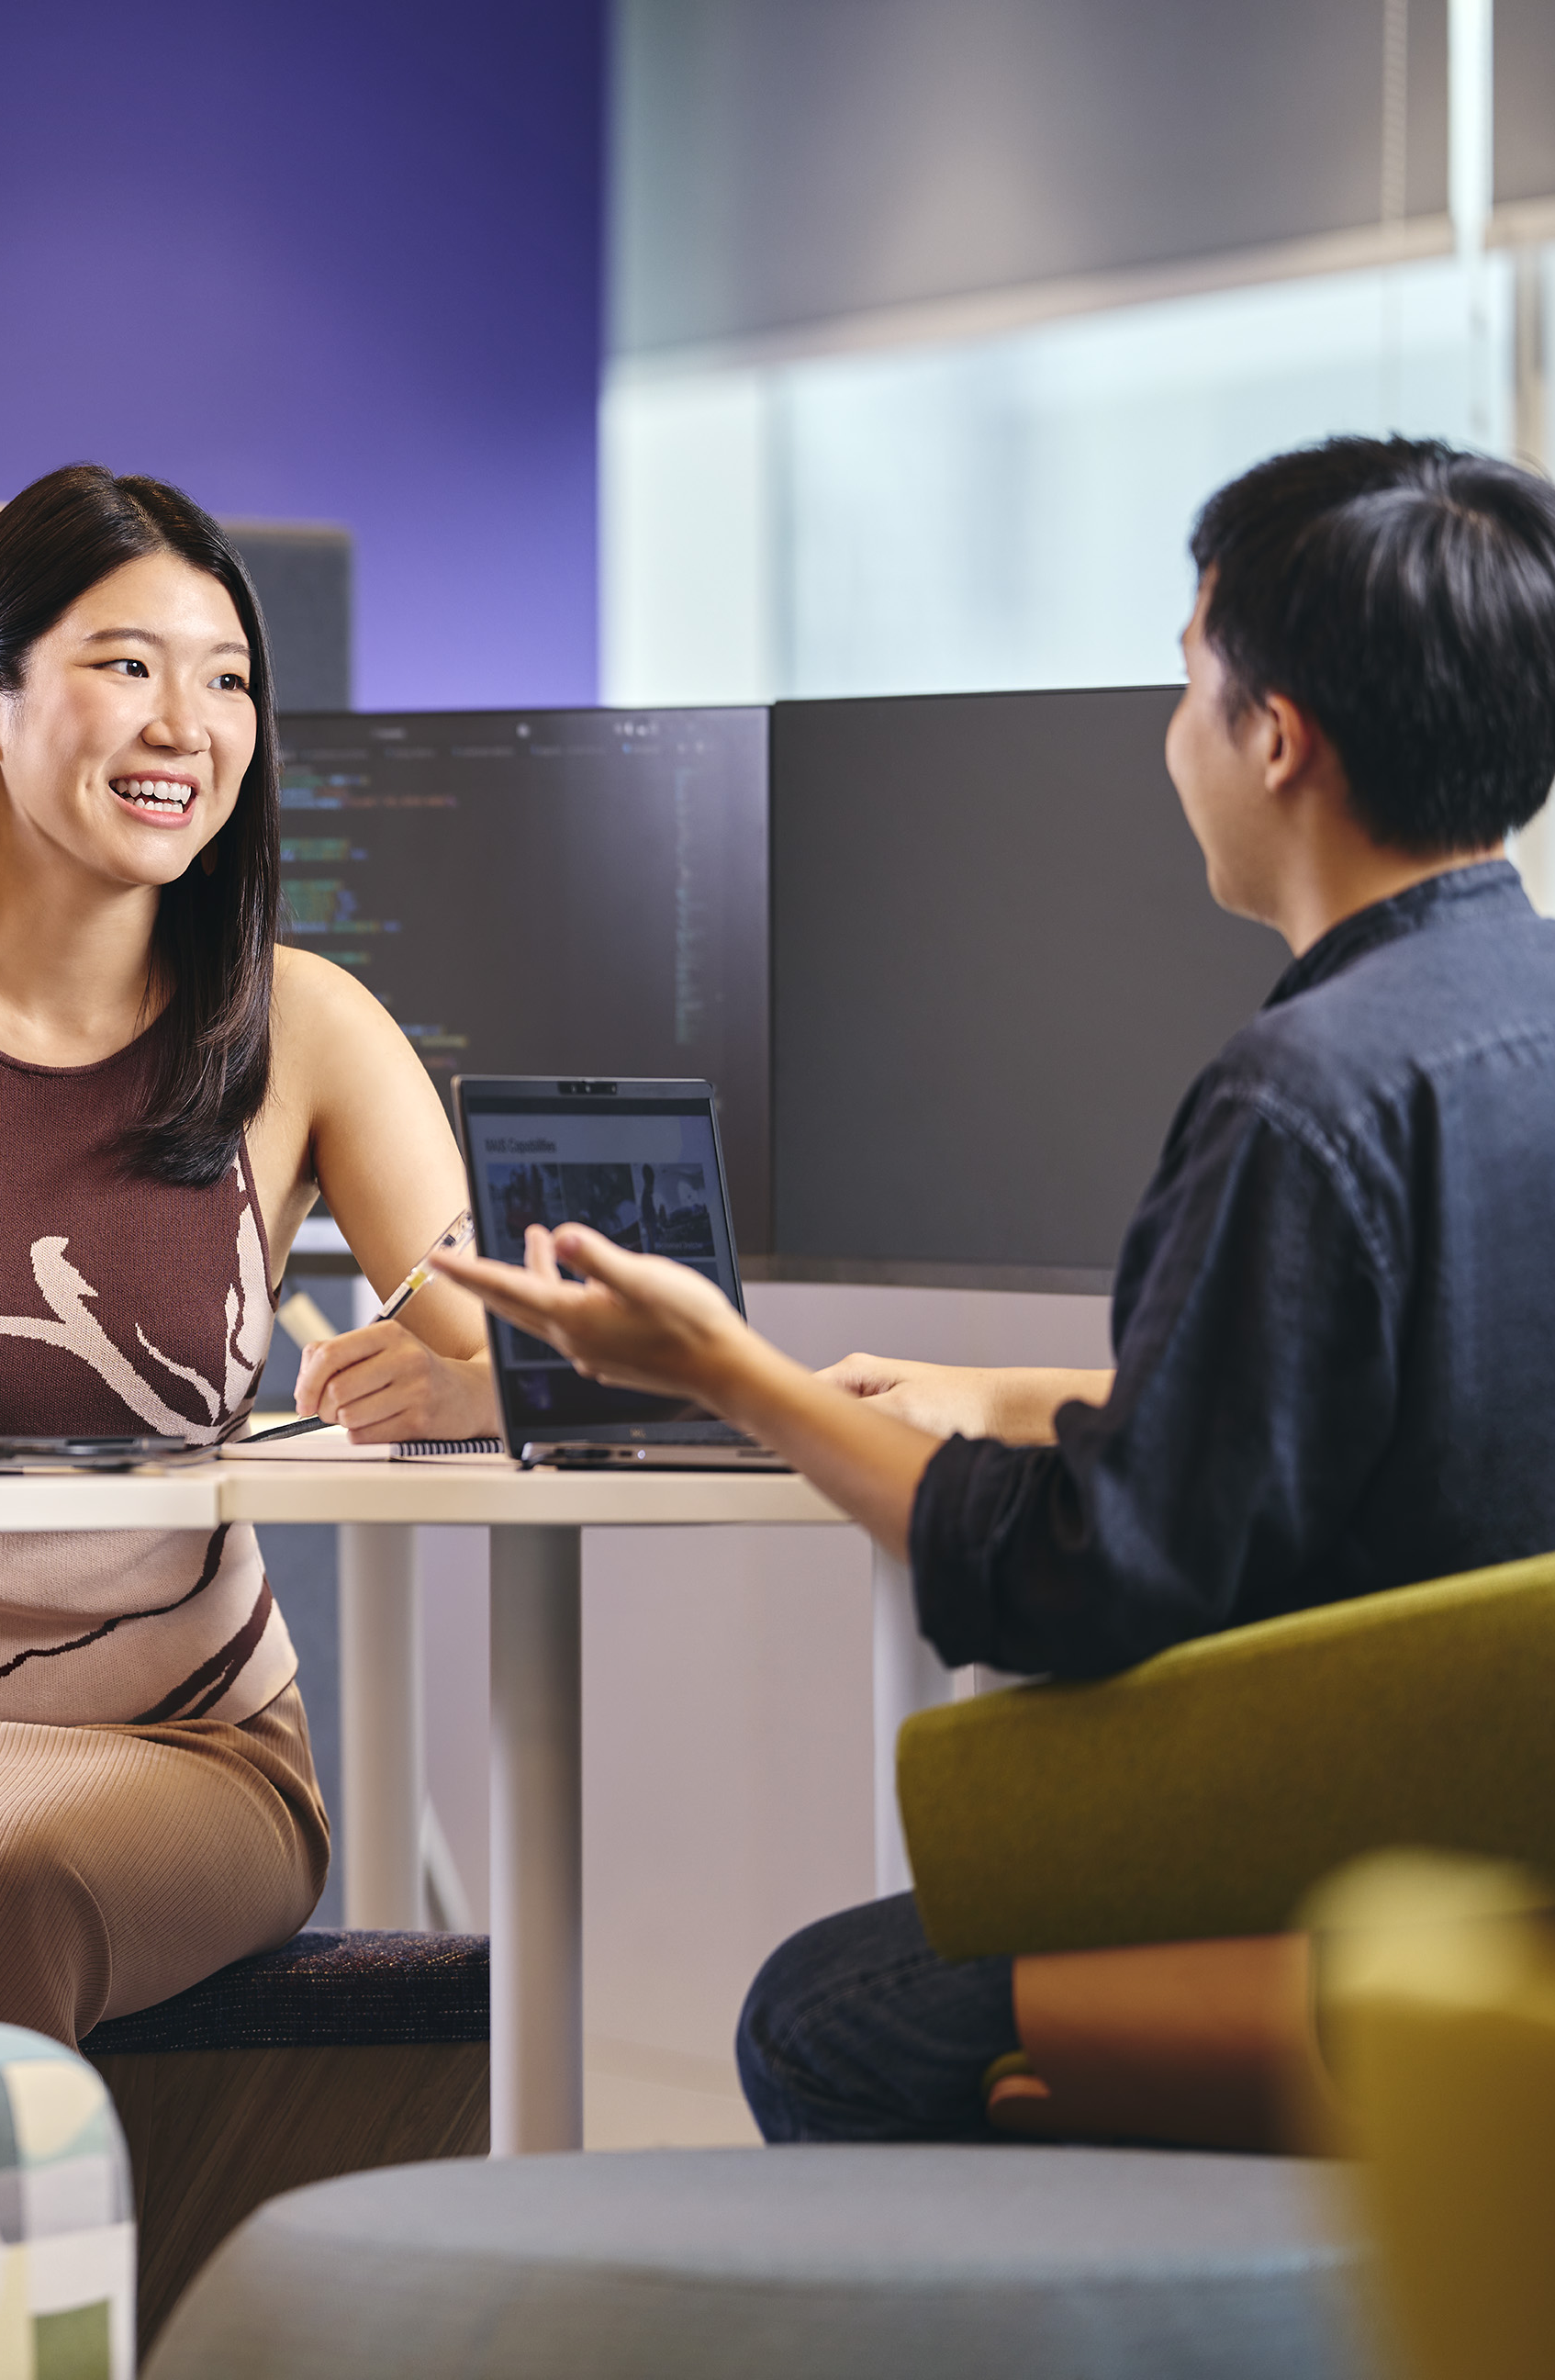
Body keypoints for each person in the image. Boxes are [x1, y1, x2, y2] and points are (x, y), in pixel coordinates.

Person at [434, 435, 1555, 2147]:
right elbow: (1395, 1425)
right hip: (1511, 1841)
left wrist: (731, 1373)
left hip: (1360, 1873)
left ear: (1275, 736)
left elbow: (1090, 1579)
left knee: (825, 2017)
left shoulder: (1305, 1095)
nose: (1170, 738)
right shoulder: (1506, 1025)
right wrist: (1006, 1398)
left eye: (1188, 682)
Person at [0, 464, 498, 2038]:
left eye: (227, 681)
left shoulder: (311, 1029)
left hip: (187, 1744)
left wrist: (471, 1381)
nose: (186, 724)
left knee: (6, 1879)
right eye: (126, 665)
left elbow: (540, 1353)